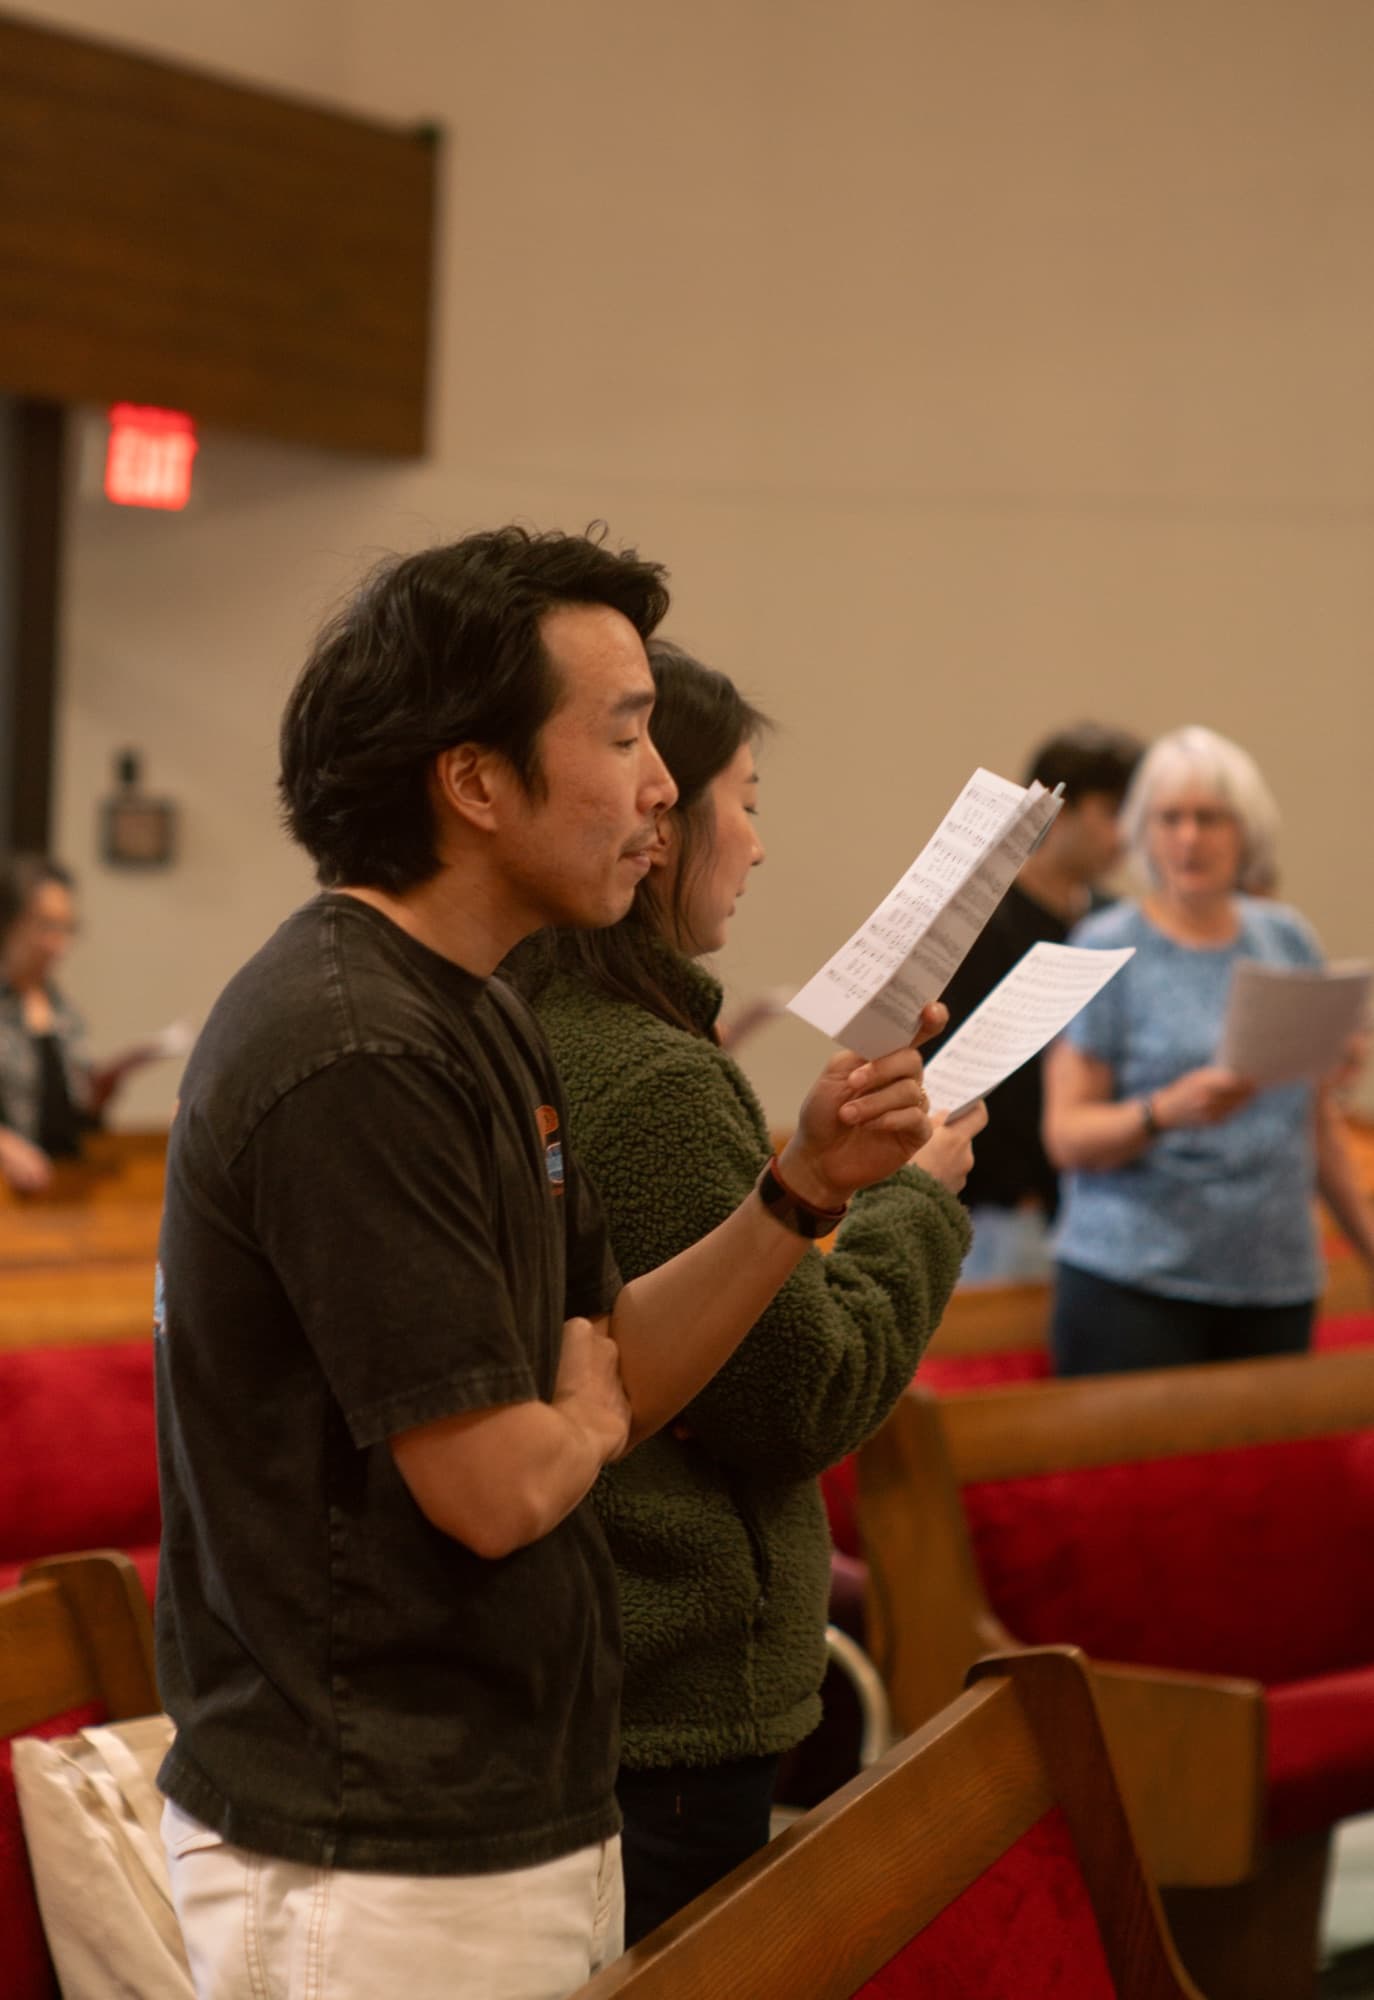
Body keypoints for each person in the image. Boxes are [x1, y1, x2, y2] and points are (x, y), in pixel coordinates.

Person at [153, 529, 939, 2000]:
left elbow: (615, 1350)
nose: (662, 789)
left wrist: (802, 1189)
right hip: (377, 1848)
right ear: (474, 781)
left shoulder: (480, 1012)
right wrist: (577, 1416)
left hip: (512, 1801)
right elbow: (496, 1482)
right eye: (625, 735)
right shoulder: (354, 1049)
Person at [507, 638, 980, 1942]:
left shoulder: (518, 1021)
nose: (758, 846)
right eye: (747, 804)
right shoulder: (650, 1079)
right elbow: (797, 1398)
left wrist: (824, 1182)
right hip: (660, 1709)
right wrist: (916, 1200)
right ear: (656, 820)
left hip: (591, 1688)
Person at [1042, 723, 1374, 1374]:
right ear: (1143, 833)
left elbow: (1314, 1125)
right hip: (1133, 1282)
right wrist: (1163, 1112)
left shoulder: (1285, 939)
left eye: (1210, 818)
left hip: (1274, 1279)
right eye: (1169, 818)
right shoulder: (1106, 944)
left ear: (1246, 832)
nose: (1189, 838)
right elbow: (1067, 1134)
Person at [923, 725, 1143, 1280]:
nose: (1127, 833)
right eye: (1113, 812)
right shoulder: (979, 922)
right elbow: (950, 1069)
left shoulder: (1114, 921)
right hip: (1003, 1210)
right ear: (1059, 812)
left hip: (1098, 1195)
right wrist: (1014, 1187)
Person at [0, 854, 154, 1191]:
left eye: (66, 928)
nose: (58, 943)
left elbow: (72, 1118)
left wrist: (99, 1097)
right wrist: (5, 1145)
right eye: (46, 925)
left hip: (61, 1187)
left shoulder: (66, 1014)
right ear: (11, 922)